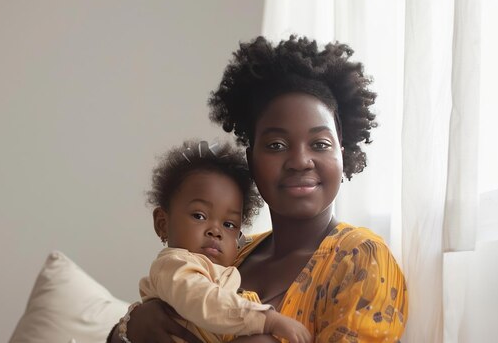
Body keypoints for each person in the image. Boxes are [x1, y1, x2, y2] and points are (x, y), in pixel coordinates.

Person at [109, 35, 407, 343]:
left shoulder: (361, 258)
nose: (300, 161)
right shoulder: (228, 250)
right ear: (251, 160)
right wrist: (131, 326)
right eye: (276, 145)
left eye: (320, 144)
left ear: (342, 153)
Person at [128, 140, 311, 343]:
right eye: (199, 216)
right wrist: (266, 319)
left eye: (229, 224)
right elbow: (204, 300)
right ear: (162, 223)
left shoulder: (225, 269)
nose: (215, 231)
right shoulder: (175, 264)